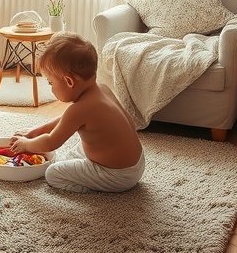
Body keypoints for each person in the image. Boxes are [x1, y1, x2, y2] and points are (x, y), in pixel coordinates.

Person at [9, 32, 145, 194]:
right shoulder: (102, 89)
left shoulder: (80, 109)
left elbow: (52, 142)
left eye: (51, 82)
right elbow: (66, 119)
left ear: (69, 81)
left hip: (116, 176)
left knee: (52, 173)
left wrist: (26, 144)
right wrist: (36, 131)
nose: (51, 87)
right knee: (77, 148)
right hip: (136, 163)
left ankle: (91, 186)